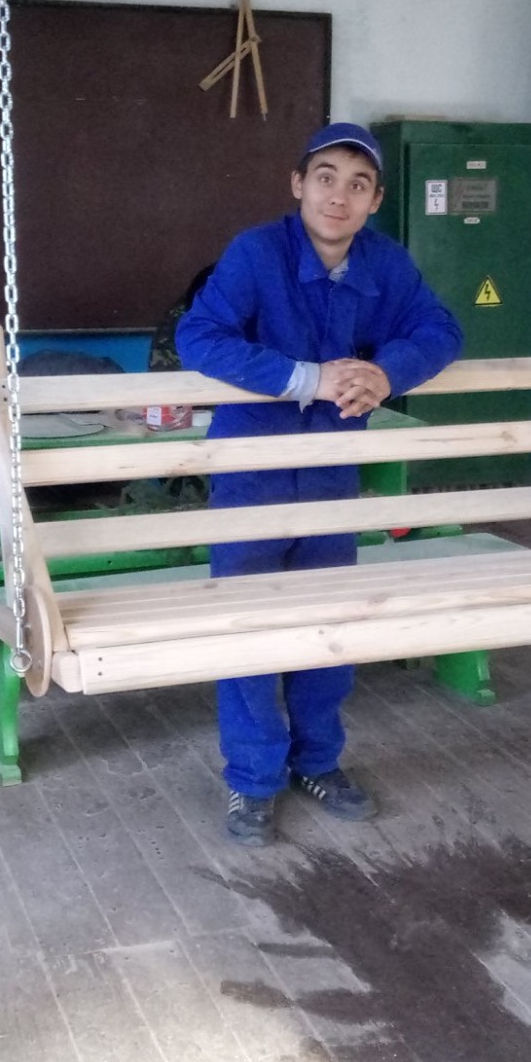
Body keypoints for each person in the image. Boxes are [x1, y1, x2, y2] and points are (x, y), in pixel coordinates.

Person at [177, 122, 462, 846]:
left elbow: (441, 330)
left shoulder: (384, 262)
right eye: (326, 177)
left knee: (328, 622)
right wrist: (304, 378)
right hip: (253, 465)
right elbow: (199, 337)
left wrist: (388, 372)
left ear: (376, 200)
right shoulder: (257, 253)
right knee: (248, 625)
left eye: (359, 184)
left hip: (332, 467)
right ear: (298, 184)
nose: (340, 196)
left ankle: (318, 762)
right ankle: (252, 780)